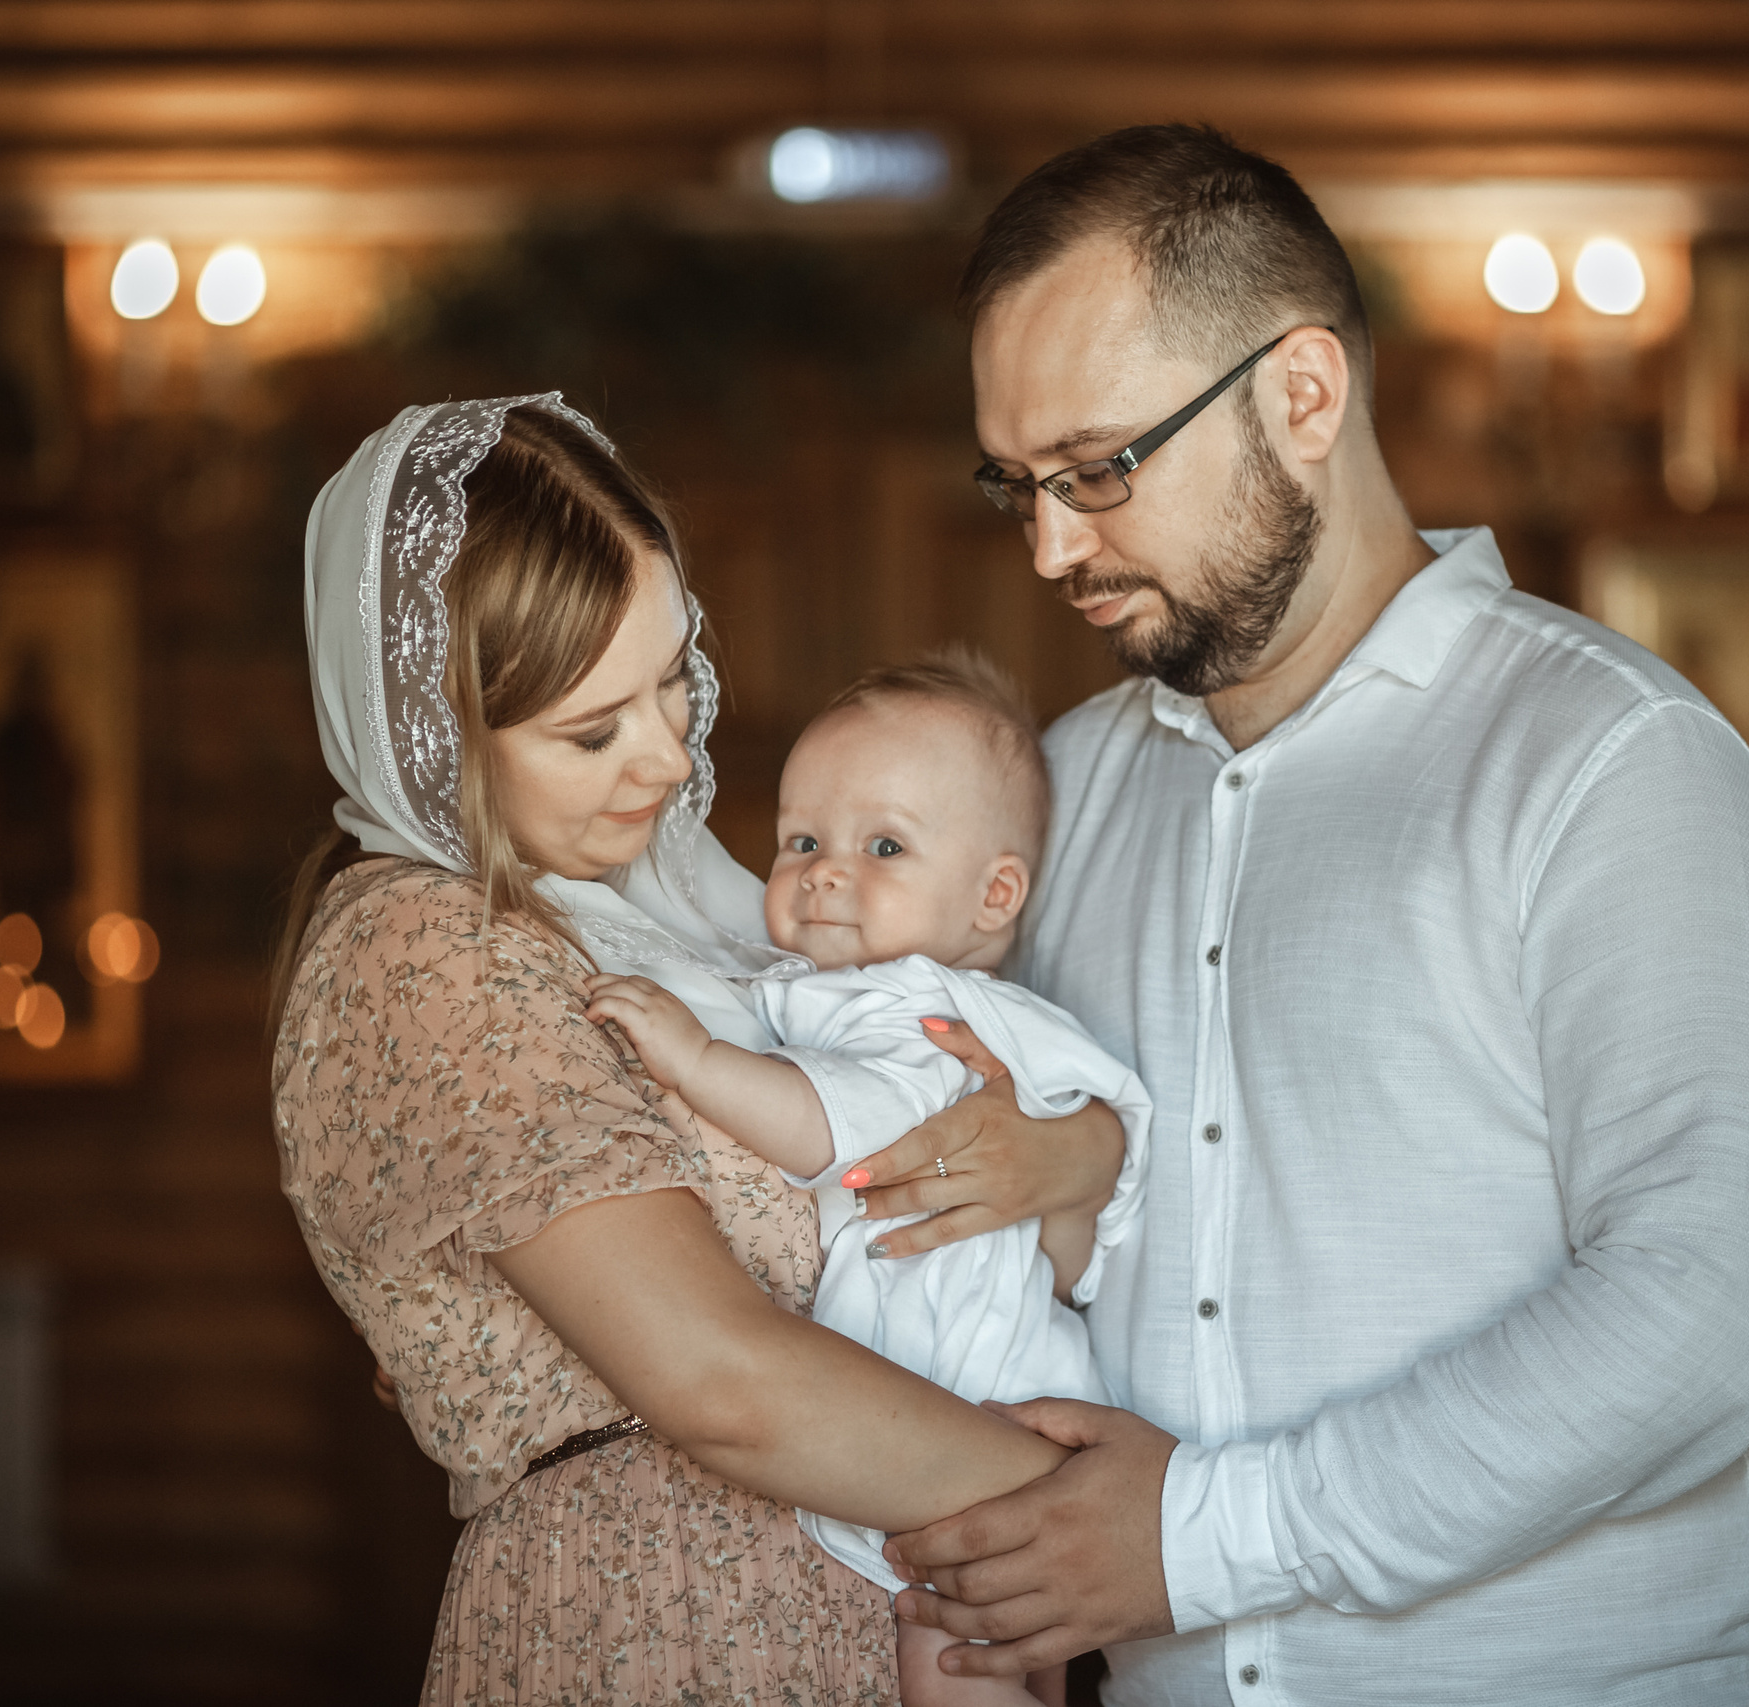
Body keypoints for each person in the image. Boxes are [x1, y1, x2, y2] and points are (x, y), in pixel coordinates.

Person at [841, 125, 1749, 1705]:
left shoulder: (1609, 763)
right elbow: (853, 1053)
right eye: (1016, 485)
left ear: (1303, 394)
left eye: (1101, 468)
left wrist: (1205, 1534)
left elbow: (1717, 1301)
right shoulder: (1054, 793)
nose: (1048, 547)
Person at [269, 394, 1120, 1704]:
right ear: (435, 734)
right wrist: (1095, 1514)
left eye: (672, 677)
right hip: (665, 1628)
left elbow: (954, 1104)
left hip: (880, 1602)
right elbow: (717, 1378)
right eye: (592, 727)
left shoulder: (689, 910)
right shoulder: (425, 947)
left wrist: (1066, 1155)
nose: (669, 754)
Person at [584, 648, 1154, 1707]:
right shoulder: (828, 992)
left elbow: (836, 1128)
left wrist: (694, 1062)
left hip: (968, 1404)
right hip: (943, 1401)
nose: (826, 870)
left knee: (948, 1654)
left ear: (993, 895)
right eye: (802, 840)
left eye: (883, 845)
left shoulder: (926, 1014)